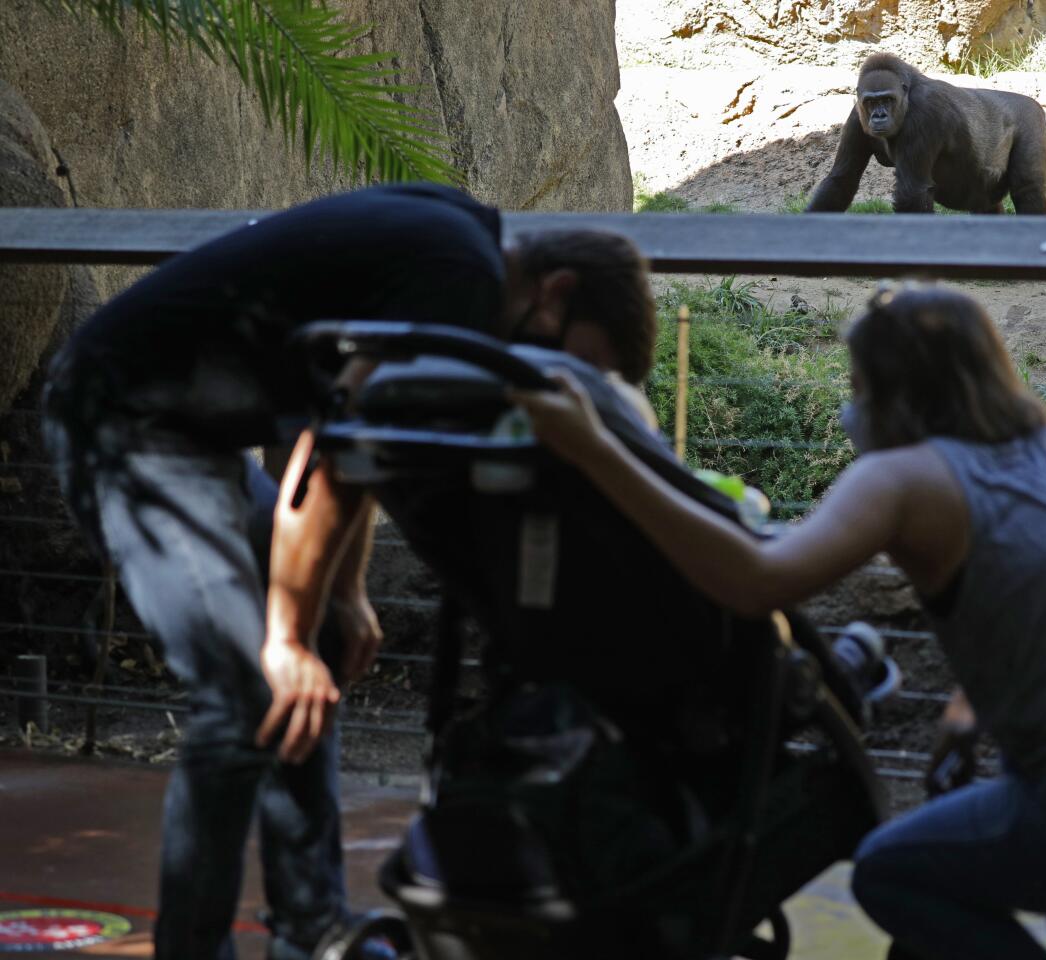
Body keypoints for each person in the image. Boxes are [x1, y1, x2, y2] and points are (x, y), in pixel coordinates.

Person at [511, 282, 1046, 960]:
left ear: (889, 393)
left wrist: (592, 451)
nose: (852, 403)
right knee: (1038, 780)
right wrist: (973, 706)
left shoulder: (901, 476)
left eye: (858, 384)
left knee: (895, 870)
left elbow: (757, 582)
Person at [42, 182, 657, 960]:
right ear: (557, 291)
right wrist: (285, 634)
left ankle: (311, 927)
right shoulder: (461, 278)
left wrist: (340, 597)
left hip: (203, 435)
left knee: (316, 647)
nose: (548, 381)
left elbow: (347, 432)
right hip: (122, 422)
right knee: (247, 695)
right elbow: (336, 453)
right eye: (570, 362)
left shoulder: (463, 238)